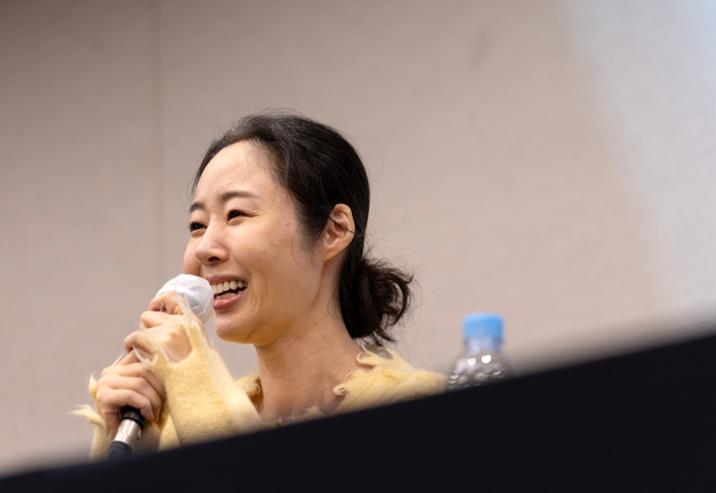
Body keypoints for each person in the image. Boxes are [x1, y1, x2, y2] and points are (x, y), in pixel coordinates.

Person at [74, 112, 446, 459]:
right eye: (197, 225)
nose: (205, 248)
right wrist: (136, 460)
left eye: (236, 214)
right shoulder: (179, 431)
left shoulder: (423, 413)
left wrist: (200, 392)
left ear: (334, 231)